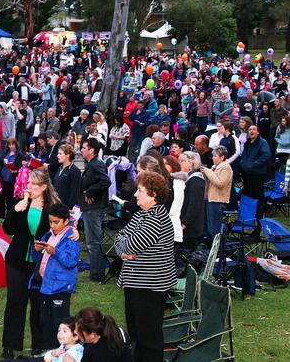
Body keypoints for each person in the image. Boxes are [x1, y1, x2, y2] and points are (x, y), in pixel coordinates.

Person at [114, 171, 176, 362]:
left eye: (140, 191)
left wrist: (125, 247)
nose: (135, 195)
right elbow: (118, 240)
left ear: (154, 195)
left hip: (149, 287)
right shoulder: (142, 214)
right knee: (136, 335)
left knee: (148, 338)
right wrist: (124, 252)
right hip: (135, 284)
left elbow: (131, 244)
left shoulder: (156, 219)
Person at [1, 169, 62, 359]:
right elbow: (7, 229)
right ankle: (9, 346)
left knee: (38, 306)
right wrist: (15, 210)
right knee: (15, 303)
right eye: (28, 183)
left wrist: (74, 232)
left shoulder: (53, 206)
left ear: (44, 187)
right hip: (17, 260)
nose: (29, 187)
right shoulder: (22, 203)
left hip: (40, 263)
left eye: (34, 185)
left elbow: (65, 226)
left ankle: (39, 346)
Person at [28, 203, 80, 351]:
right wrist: (37, 250)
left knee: (59, 322)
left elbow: (71, 261)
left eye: (56, 222)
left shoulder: (71, 237)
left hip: (61, 287)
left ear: (65, 221)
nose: (53, 225)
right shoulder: (49, 234)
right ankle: (47, 350)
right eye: (50, 222)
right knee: (45, 320)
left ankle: (62, 351)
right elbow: (38, 258)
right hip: (46, 285)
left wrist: (55, 251)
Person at [79, 138, 111, 283]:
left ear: (92, 150)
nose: (81, 150)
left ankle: (96, 274)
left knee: (93, 242)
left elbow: (106, 181)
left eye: (84, 148)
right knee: (92, 242)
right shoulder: (91, 164)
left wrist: (90, 192)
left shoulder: (96, 164)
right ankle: (95, 272)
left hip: (94, 208)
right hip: (90, 207)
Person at [240, 125, 271, 232]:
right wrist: (243, 165)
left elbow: (266, 156)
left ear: (258, 132)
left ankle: (259, 222)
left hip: (257, 174)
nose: (251, 131)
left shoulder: (263, 143)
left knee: (258, 197)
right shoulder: (247, 143)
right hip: (247, 174)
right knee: (249, 196)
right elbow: (243, 156)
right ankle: (248, 221)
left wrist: (253, 165)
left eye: (253, 129)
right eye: (249, 130)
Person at [200, 146, 233, 238]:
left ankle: (218, 249)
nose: (213, 158)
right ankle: (211, 247)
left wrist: (209, 172)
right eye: (213, 156)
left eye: (215, 156)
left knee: (214, 228)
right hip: (210, 199)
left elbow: (220, 183)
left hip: (218, 201)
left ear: (222, 157)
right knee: (209, 227)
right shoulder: (214, 167)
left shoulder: (226, 168)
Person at [178, 152, 205, 252]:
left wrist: (184, 224)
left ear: (191, 163)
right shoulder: (189, 178)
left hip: (190, 227)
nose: (179, 163)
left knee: (185, 256)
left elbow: (194, 205)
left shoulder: (196, 180)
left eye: (183, 161)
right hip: (185, 225)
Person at [53, 143, 81, 209]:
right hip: (56, 205)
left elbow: (74, 192)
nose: (57, 156)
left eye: (60, 154)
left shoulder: (75, 171)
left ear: (67, 155)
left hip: (66, 208)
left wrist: (69, 208)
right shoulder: (59, 168)